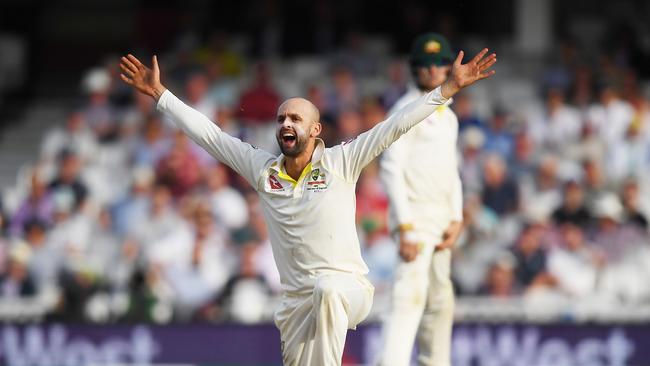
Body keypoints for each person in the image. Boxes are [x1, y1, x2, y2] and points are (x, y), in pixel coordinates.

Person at [119, 47, 495, 365]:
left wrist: (448, 88)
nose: (286, 123)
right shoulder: (261, 170)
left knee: (328, 287)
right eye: (282, 118)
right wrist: (160, 94)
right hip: (296, 305)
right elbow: (210, 135)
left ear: (315, 131)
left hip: (349, 290)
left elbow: (395, 125)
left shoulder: (341, 162)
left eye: (296, 118)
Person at [377, 32, 464, 366]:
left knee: (440, 301)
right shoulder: (407, 109)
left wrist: (456, 216)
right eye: (425, 65)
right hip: (415, 217)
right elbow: (391, 168)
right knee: (407, 298)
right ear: (414, 69)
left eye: (440, 63)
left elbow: (450, 169)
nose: (433, 70)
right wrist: (405, 226)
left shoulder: (449, 115)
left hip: (442, 219)